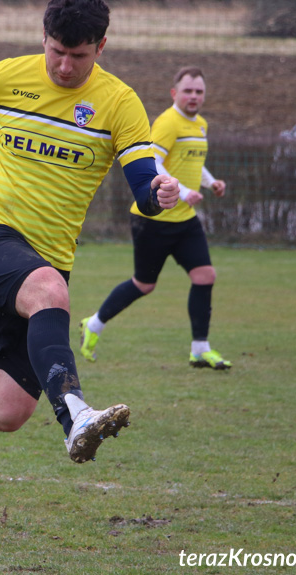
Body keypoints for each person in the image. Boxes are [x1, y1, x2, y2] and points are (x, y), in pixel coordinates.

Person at [0, 0, 180, 464]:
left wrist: (157, 192)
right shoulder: (5, 78)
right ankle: (76, 416)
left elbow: (142, 180)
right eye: (57, 51)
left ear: (101, 46)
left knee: (7, 408)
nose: (64, 65)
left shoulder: (120, 102)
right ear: (43, 36)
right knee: (49, 289)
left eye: (79, 55)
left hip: (47, 257)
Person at [79, 66, 231, 370]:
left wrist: (209, 181)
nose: (193, 96)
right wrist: (184, 191)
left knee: (205, 276)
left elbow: (192, 163)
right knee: (144, 284)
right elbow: (155, 163)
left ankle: (200, 349)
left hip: (185, 220)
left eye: (199, 91)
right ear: (174, 93)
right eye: (187, 90)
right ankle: (94, 323)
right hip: (153, 220)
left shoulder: (200, 124)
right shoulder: (167, 123)